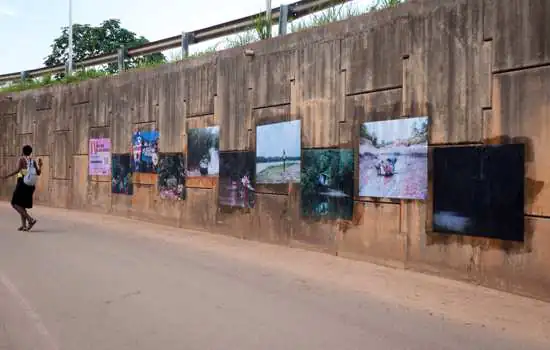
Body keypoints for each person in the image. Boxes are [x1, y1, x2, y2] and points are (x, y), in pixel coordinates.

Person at [2, 145, 42, 231]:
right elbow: (38, 173)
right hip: (31, 186)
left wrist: (6, 176)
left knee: (14, 203)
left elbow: (17, 170)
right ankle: (23, 225)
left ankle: (30, 219)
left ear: (23, 151)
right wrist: (40, 166)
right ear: (30, 152)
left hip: (22, 184)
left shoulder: (21, 159)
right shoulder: (33, 161)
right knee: (22, 205)